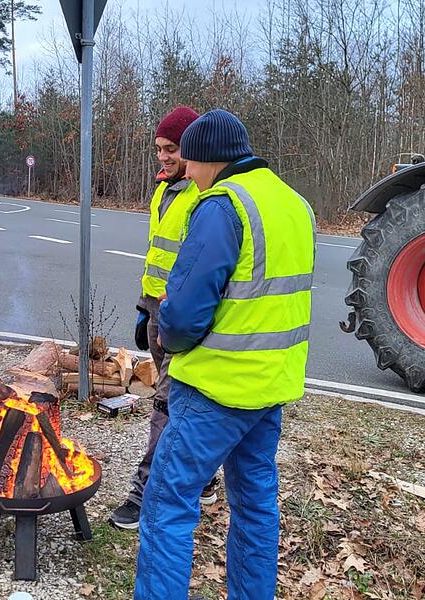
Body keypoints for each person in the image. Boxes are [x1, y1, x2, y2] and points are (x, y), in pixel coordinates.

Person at [134, 109, 316, 599]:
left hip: (215, 390)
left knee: (167, 504)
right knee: (255, 504)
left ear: (211, 160)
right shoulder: (293, 204)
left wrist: (165, 338)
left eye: (189, 163)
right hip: (269, 389)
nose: (186, 173)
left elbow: (185, 314)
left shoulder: (222, 205)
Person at [109, 106, 219, 530]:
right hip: (157, 311)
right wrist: (144, 308)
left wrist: (173, 317)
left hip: (183, 318)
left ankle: (144, 494)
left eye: (171, 149)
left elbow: (200, 270)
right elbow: (157, 256)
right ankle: (206, 478)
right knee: (181, 402)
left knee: (168, 404)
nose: (164, 157)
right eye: (159, 149)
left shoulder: (203, 195)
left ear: (190, 148)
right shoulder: (162, 191)